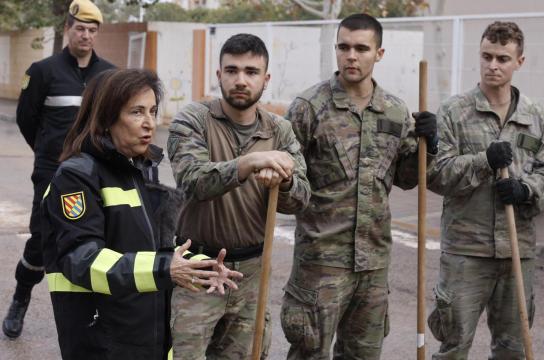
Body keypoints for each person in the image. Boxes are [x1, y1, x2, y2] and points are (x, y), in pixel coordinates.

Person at [41, 68, 242, 359]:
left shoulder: (135, 172)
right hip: (103, 343)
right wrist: (165, 269)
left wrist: (200, 266)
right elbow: (82, 260)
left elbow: (149, 251)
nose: (149, 123)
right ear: (107, 117)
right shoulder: (76, 177)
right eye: (136, 112)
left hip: (148, 338)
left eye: (153, 111)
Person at [281, 13, 438, 359]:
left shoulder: (395, 112)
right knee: (309, 353)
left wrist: (430, 145)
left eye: (361, 48)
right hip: (320, 264)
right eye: (344, 47)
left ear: (378, 54)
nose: (351, 56)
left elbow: (407, 178)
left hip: (373, 265)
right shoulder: (309, 108)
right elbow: (287, 189)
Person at [426, 21, 544, 358]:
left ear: (520, 62)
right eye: (487, 56)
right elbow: (437, 175)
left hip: (518, 249)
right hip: (466, 251)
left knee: (512, 347)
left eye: (502, 58)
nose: (493, 65)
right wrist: (482, 161)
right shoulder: (454, 112)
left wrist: (525, 190)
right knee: (454, 345)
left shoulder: (536, 117)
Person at [168, 33, 310, 359]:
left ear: (266, 78)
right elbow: (193, 181)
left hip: (251, 275)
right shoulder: (193, 120)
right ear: (218, 75)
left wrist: (284, 182)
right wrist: (248, 163)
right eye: (231, 71)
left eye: (251, 71)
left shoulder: (279, 131)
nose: (240, 80)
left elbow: (301, 198)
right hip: (197, 271)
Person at [3, 0, 115, 338]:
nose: (86, 35)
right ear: (68, 29)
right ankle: (20, 299)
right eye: (80, 28)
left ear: (97, 34)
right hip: (52, 174)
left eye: (92, 30)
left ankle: (98, 315)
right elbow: (26, 119)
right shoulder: (43, 71)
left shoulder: (109, 74)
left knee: (98, 241)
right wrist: (47, 153)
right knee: (41, 240)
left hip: (96, 175)